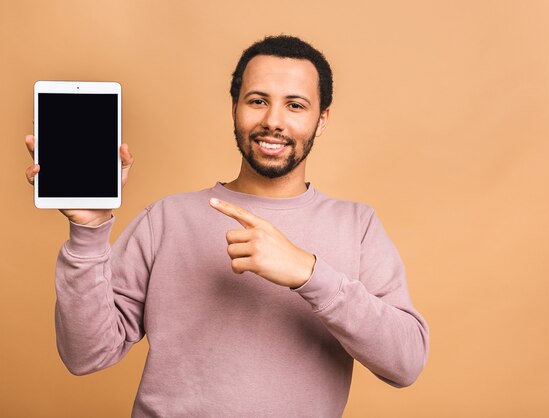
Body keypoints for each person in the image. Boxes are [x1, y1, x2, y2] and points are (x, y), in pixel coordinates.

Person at [24, 35, 429, 418]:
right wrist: (88, 233)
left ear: (321, 120)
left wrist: (309, 273)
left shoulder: (357, 225)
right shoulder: (166, 219)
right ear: (234, 106)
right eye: (257, 100)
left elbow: (406, 363)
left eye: (295, 105)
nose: (274, 121)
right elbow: (85, 355)